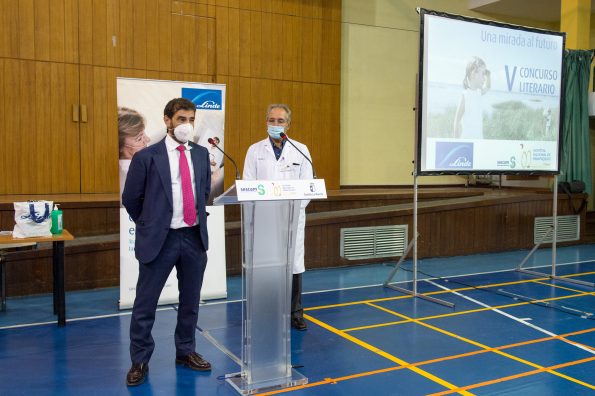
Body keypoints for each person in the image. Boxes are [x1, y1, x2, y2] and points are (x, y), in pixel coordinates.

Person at [122, 98, 212, 386]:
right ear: (167, 120)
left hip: (193, 237)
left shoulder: (200, 154)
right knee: (145, 303)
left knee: (190, 300)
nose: (186, 124)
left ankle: (185, 351)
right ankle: (139, 360)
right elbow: (131, 200)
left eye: (190, 119)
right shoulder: (147, 157)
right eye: (181, 118)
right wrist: (151, 224)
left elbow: (204, 191)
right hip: (161, 239)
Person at [243, 104, 313, 331]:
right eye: (271, 120)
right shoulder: (255, 150)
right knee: (267, 264)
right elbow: (247, 185)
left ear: (288, 124)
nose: (275, 125)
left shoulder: (300, 150)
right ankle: (266, 310)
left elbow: (308, 186)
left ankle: (295, 312)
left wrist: (294, 211)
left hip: (292, 219)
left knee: (293, 263)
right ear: (266, 122)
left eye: (280, 121)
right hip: (264, 218)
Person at [453, 56, 491, 139]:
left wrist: (489, 75)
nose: (484, 78)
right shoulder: (465, 96)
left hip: (479, 141)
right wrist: (456, 143)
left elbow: (488, 87)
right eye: (482, 74)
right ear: (473, 74)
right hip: (467, 144)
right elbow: (456, 122)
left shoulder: (479, 93)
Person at [118, 107, 150, 201]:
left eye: (144, 134)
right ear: (119, 146)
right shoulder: (128, 172)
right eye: (139, 139)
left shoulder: (137, 161)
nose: (147, 139)